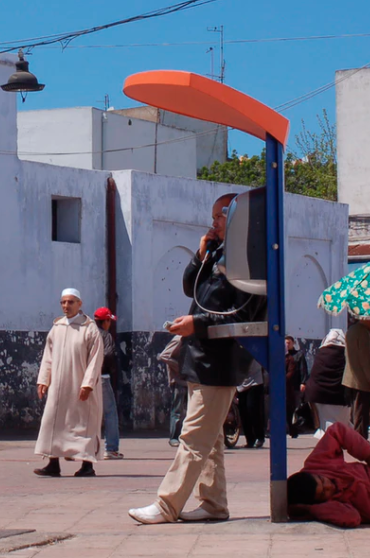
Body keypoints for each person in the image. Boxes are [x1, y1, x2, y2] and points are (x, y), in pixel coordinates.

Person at [129, 192, 266, 525]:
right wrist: (199, 256)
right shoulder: (219, 254)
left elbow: (242, 316)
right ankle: (213, 503)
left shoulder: (248, 263)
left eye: (219, 216)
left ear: (235, 219)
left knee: (193, 437)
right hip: (201, 357)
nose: (213, 222)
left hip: (221, 363)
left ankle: (167, 505)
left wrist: (197, 324)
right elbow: (191, 289)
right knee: (212, 440)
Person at [34, 288, 105, 478]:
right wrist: (43, 380)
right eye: (63, 302)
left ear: (79, 304)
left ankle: (87, 464)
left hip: (80, 385)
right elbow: (48, 356)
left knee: (84, 424)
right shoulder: (57, 327)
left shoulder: (89, 328)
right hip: (58, 386)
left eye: (71, 302)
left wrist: (88, 384)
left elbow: (95, 359)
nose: (66, 306)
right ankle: (53, 462)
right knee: (53, 421)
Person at [305, 329, 350, 437]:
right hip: (339, 394)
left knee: (324, 424)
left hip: (319, 394)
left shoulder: (321, 353)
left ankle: (327, 443)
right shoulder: (346, 353)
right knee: (341, 424)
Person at [94, 306, 123, 459]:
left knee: (87, 413)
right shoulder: (105, 336)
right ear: (105, 321)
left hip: (85, 378)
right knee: (110, 412)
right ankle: (111, 449)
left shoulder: (87, 334)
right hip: (102, 378)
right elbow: (109, 354)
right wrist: (108, 368)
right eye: (109, 321)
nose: (110, 324)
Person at [342, 316, 370, 438]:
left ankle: (357, 440)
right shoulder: (362, 333)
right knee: (361, 413)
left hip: (351, 379)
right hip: (361, 380)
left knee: (355, 413)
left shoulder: (351, 330)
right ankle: (360, 442)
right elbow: (365, 359)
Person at [237, 358, 266, 449]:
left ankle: (259, 437)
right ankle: (250, 440)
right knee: (243, 411)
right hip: (241, 383)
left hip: (255, 382)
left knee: (252, 409)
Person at [285, 336, 307, 439]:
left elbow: (303, 369)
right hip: (284, 386)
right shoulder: (282, 355)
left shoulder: (298, 355)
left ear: (293, 343)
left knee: (294, 407)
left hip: (295, 385)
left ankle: (294, 428)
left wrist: (303, 382)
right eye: (286, 343)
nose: (287, 345)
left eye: (289, 343)